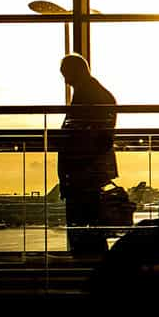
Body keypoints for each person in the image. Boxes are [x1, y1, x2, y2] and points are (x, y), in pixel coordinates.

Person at [57, 54, 118, 257]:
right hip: (88, 174)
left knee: (83, 231)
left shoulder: (89, 97)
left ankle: (87, 271)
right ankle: (93, 270)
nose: (66, 80)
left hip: (83, 174)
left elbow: (91, 139)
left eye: (67, 75)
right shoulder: (98, 95)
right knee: (92, 232)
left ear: (78, 71)